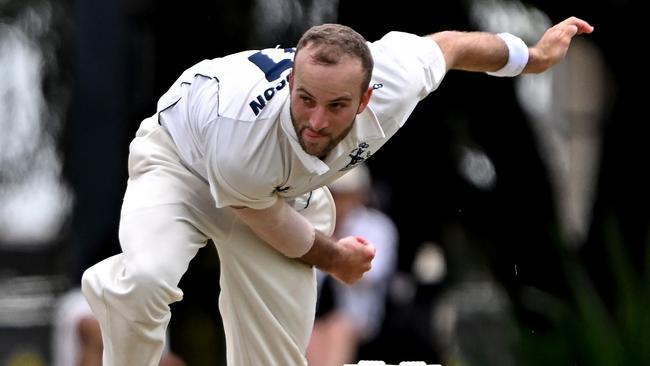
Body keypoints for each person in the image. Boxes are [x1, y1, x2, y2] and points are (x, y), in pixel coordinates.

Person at [81, 16, 593, 366]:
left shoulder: (395, 77)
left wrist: (532, 57)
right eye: (304, 99)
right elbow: (266, 220)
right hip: (183, 161)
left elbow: (453, 46)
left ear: (369, 96)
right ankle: (118, 289)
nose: (316, 121)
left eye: (336, 106)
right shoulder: (245, 136)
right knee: (147, 280)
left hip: (275, 192)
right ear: (289, 86)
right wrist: (336, 260)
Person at [306, 164, 399, 365]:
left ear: (360, 195)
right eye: (334, 194)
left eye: (345, 195)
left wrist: (336, 256)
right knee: (310, 332)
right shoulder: (312, 225)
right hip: (312, 314)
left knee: (339, 328)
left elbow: (374, 273)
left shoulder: (377, 227)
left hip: (359, 315)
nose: (338, 202)